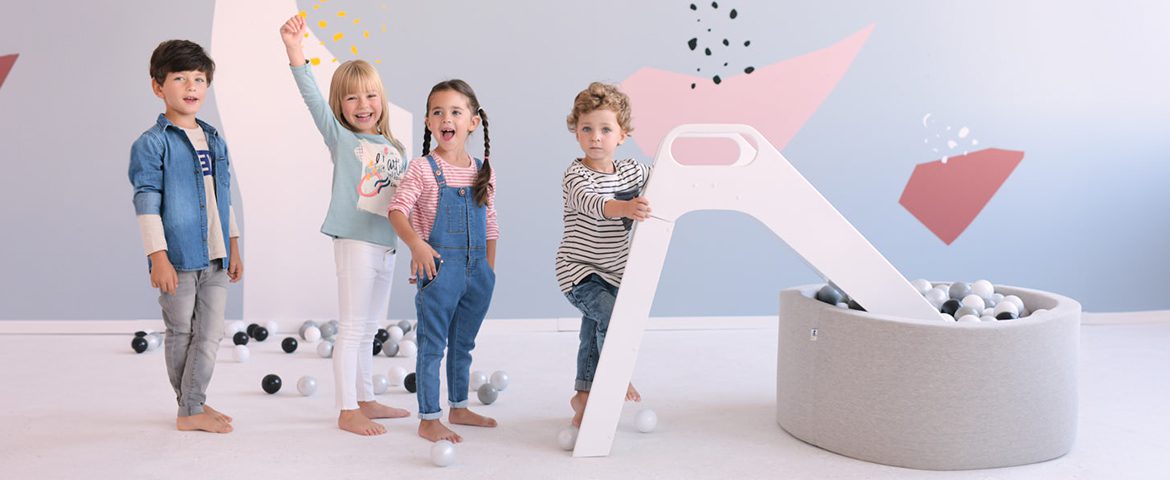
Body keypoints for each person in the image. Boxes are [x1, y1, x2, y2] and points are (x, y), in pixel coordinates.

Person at [280, 14, 410, 436]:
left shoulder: (395, 147)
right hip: (355, 242)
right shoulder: (341, 137)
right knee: (352, 328)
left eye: (370, 95)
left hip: (387, 245)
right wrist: (296, 49)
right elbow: (311, 96)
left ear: (381, 100)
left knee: (370, 329)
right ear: (340, 106)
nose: (363, 104)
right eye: (352, 98)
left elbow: (405, 203)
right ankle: (346, 408)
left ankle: (365, 398)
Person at [129, 39, 243, 434]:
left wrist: (233, 245)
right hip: (177, 256)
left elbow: (223, 197)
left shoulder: (214, 140)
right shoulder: (152, 144)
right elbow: (146, 201)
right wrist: (157, 256)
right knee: (181, 332)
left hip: (215, 255)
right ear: (158, 86)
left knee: (210, 335)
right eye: (180, 78)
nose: (192, 86)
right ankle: (191, 408)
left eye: (199, 78)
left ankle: (192, 403)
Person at [388, 79, 499, 443]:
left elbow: (491, 222)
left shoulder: (483, 169)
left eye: (455, 111)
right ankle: (429, 418)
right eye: (438, 112)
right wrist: (417, 245)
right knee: (433, 345)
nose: (446, 118)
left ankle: (459, 406)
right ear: (428, 122)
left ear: (473, 122)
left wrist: (488, 270)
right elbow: (397, 210)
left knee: (463, 344)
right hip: (439, 271)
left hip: (478, 273)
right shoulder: (422, 168)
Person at [554, 82, 651, 428]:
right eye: (586, 129)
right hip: (579, 272)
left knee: (593, 331)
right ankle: (616, 375)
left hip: (614, 272)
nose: (595, 137)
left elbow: (662, 179)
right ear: (576, 132)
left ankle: (583, 395)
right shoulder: (576, 175)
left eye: (605, 129)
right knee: (612, 318)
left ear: (622, 135)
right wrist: (625, 207)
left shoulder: (631, 171)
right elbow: (596, 204)